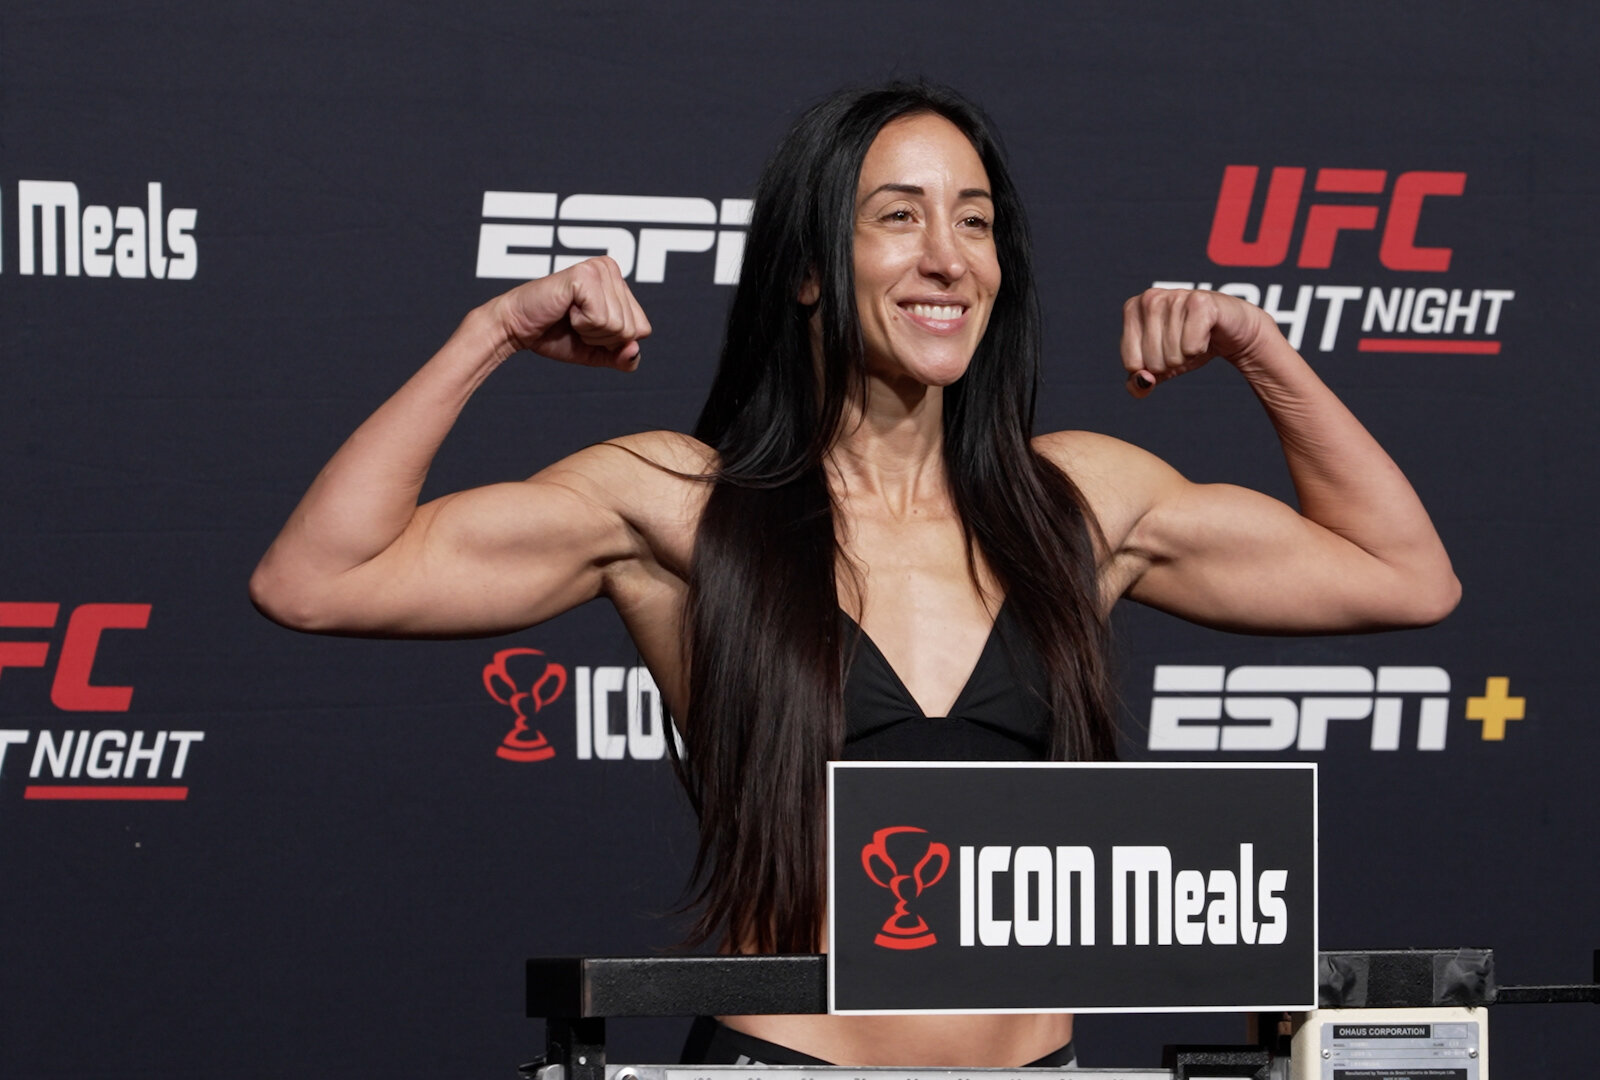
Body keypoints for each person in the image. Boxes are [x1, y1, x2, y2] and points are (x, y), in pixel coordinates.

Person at [250, 84, 1459, 1068]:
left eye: (975, 222)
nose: (947, 259)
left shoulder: (1077, 504)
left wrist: (1262, 351)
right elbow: (317, 578)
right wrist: (493, 336)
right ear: (810, 269)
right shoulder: (686, 505)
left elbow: (1404, 575)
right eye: (899, 217)